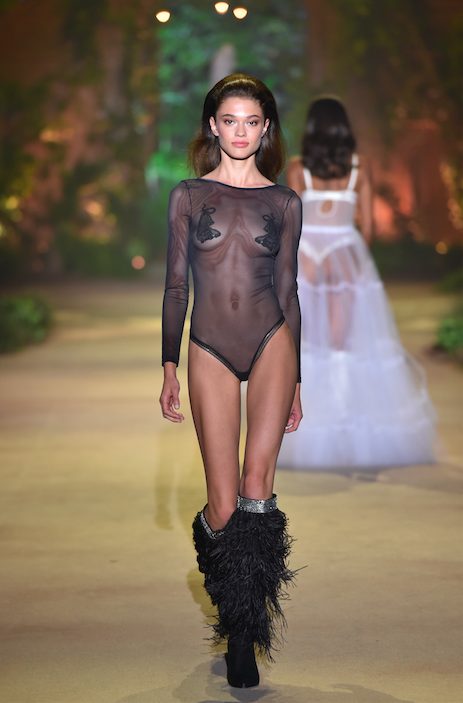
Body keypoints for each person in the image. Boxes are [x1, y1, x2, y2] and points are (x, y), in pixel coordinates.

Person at [159, 73, 302, 688]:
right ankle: (228, 591)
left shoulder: (285, 202)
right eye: (230, 120)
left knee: (256, 488)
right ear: (213, 127)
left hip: (273, 341)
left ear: (265, 129)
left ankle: (244, 636)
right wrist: (168, 364)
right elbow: (176, 286)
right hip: (209, 346)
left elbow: (290, 291)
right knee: (221, 505)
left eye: (252, 121)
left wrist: (298, 379)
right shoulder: (188, 196)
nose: (241, 131)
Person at [278, 96, 436, 470]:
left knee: (305, 346)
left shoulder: (298, 169)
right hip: (345, 255)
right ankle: (346, 426)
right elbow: (367, 226)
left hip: (307, 257)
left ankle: (310, 430)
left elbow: (292, 222)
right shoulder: (359, 168)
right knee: (343, 345)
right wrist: (353, 254)